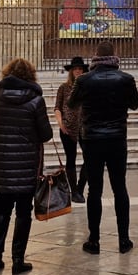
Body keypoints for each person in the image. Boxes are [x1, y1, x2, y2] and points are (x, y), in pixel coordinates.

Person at [69, 42, 138, 254]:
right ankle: (124, 240)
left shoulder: (84, 80)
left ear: (95, 57)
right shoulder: (126, 79)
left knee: (95, 190)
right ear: (114, 56)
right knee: (120, 188)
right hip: (118, 138)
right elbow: (135, 104)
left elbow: (72, 105)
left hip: (92, 140)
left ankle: (94, 240)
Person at [0, 57, 51, 274]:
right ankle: (18, 261)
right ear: (31, 75)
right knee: (23, 212)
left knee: (1, 212)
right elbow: (46, 134)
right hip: (26, 167)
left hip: (1, 165)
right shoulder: (36, 100)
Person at [54, 57, 88, 203]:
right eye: (75, 69)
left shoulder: (87, 87)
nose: (78, 71)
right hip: (67, 128)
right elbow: (57, 107)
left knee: (89, 158)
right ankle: (73, 191)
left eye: (80, 69)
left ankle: (80, 188)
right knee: (71, 159)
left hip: (85, 127)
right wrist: (61, 124)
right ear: (71, 71)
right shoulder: (64, 87)